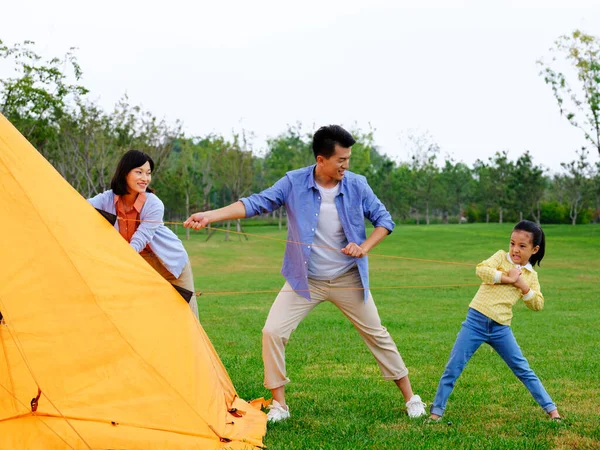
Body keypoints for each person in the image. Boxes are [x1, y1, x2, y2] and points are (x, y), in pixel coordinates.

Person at [184, 125, 427, 421]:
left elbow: (384, 220)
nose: (346, 166)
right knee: (272, 332)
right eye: (341, 160)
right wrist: (210, 215)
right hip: (305, 280)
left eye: (348, 159)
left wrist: (364, 247)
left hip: (348, 279)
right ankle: (280, 405)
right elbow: (256, 203)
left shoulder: (357, 185)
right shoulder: (294, 183)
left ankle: (411, 397)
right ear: (321, 159)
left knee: (378, 335)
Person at [428, 220, 561, 422]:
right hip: (475, 322)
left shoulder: (531, 276)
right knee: (453, 367)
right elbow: (482, 270)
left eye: (522, 246)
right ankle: (436, 413)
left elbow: (538, 304)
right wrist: (509, 278)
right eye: (512, 243)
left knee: (523, 369)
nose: (515, 249)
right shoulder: (501, 257)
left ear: (534, 249)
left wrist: (523, 285)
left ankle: (552, 411)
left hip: (501, 329)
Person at [88, 150, 198, 318]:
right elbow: (80, 208)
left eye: (148, 173)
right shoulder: (107, 199)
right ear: (125, 173)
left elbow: (139, 241)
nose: (145, 178)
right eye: (139, 172)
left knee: (187, 316)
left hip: (171, 264)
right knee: (144, 317)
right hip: (140, 265)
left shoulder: (154, 204)